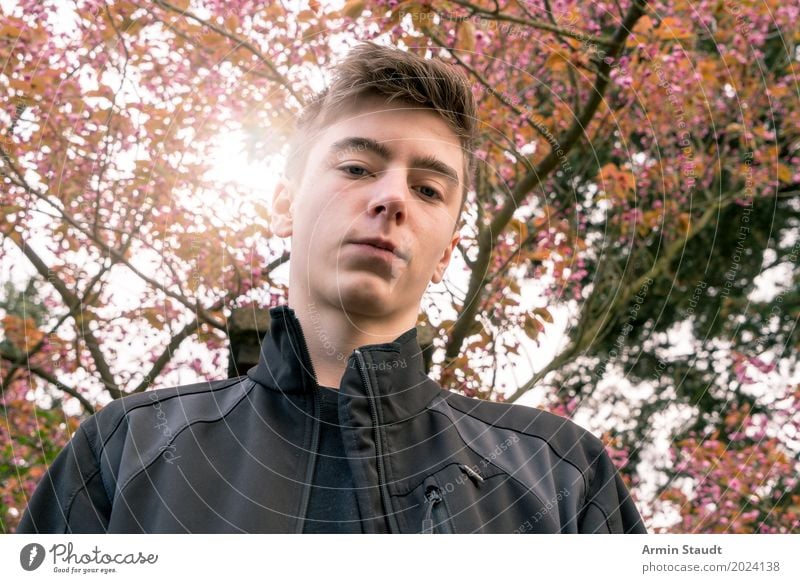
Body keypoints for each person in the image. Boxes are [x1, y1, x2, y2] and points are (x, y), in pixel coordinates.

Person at [17, 41, 646, 534]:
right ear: (284, 203)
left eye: (429, 189)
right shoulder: (128, 450)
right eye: (356, 167)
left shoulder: (562, 477)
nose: (392, 197)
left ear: (448, 247)